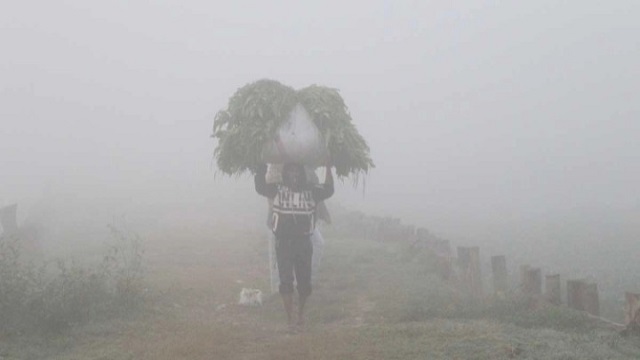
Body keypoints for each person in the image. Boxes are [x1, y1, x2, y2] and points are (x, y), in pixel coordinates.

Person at [255, 162, 334, 332]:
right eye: (290, 172)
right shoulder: (276, 189)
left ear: (302, 174)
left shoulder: (311, 191)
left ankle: (300, 314)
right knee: (286, 281)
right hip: (283, 243)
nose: (294, 176)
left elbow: (329, 190)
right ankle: (290, 319)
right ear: (285, 174)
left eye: (297, 172)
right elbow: (260, 186)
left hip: (304, 242)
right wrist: (260, 164)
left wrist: (328, 167)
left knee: (304, 283)